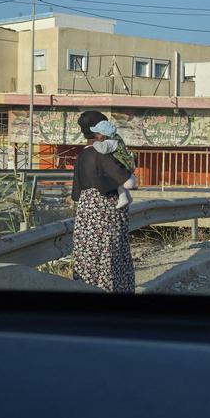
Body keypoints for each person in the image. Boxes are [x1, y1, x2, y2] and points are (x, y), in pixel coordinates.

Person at [70, 110, 136, 293]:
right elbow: (127, 181)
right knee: (110, 257)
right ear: (99, 132)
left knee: (88, 257)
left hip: (85, 215)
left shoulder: (82, 156)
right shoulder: (104, 154)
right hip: (107, 212)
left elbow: (76, 194)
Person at [88, 119, 137, 209]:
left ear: (104, 135)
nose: (95, 136)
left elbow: (103, 149)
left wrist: (93, 144)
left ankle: (123, 198)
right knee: (118, 181)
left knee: (116, 180)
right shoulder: (116, 138)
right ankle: (128, 198)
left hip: (123, 166)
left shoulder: (110, 142)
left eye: (98, 134)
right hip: (126, 164)